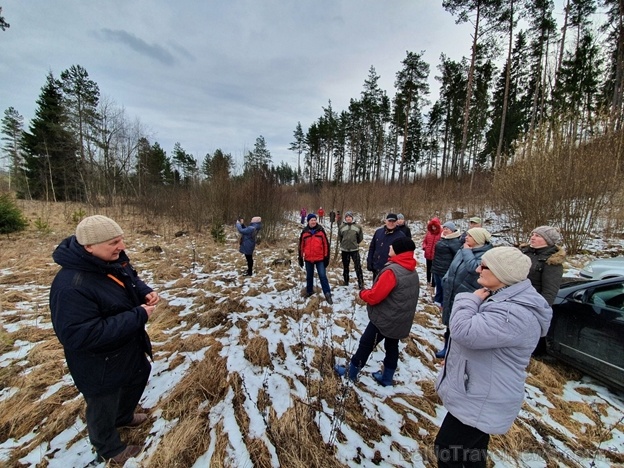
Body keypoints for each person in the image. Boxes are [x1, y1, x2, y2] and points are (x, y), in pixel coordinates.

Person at [49, 215, 158, 465]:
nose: (121, 246)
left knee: (138, 376)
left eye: (121, 239)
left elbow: (131, 279)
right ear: (89, 246)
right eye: (113, 242)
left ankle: (124, 416)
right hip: (99, 363)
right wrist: (138, 315)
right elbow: (79, 334)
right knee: (102, 404)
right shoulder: (71, 286)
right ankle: (109, 448)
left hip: (126, 348)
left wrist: (145, 292)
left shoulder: (112, 261)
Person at [434, 247, 552, 467]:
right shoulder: (502, 298)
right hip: (480, 390)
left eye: (484, 266)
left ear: (501, 273)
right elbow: (487, 347)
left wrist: (468, 300)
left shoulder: (513, 313)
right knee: (471, 452)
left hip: (483, 398)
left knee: (447, 450)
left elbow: (463, 331)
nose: (478, 268)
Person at [335, 237, 420, 386]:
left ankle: (351, 373)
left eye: (392, 247)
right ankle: (387, 378)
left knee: (366, 344)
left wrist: (363, 294)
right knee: (392, 346)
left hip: (385, 319)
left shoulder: (392, 272)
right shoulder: (411, 269)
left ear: (398, 250)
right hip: (401, 320)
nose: (389, 248)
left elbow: (375, 296)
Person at [437, 227, 493, 358]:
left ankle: (456, 352)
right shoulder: (463, 249)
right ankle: (447, 348)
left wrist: (467, 252)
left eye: (470, 236)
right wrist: (446, 279)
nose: (466, 237)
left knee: (461, 324)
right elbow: (452, 266)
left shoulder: (487, 255)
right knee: (451, 321)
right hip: (452, 290)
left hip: (468, 293)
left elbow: (474, 268)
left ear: (478, 239)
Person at [520, 225, 565, 355]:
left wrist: (539, 312)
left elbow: (549, 292)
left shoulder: (552, 262)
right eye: (532, 234)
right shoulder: (524, 252)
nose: (532, 237)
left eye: (538, 236)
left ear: (548, 241)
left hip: (532, 304)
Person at [298, 213, 333, 304]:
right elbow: (301, 246)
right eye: (311, 220)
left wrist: (326, 257)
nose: (313, 222)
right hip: (308, 259)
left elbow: (326, 245)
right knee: (309, 276)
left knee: (322, 276)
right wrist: (300, 257)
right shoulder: (305, 232)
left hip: (320, 258)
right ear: (308, 221)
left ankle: (327, 293)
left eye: (314, 220)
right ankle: (309, 292)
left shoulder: (321, 231)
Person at [431, 222, 462, 308]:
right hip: (437, 267)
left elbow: (457, 257)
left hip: (446, 269)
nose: (445, 230)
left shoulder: (455, 241)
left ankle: (444, 304)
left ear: (452, 230)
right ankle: (437, 301)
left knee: (444, 287)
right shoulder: (443, 238)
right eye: (444, 228)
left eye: (447, 229)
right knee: (438, 286)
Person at [367, 213, 406, 280]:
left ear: (396, 222)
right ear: (385, 221)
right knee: (376, 288)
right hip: (376, 267)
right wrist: (369, 261)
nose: (391, 223)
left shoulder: (401, 236)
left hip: (390, 269)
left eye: (393, 221)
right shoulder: (378, 232)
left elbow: (403, 254)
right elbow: (372, 248)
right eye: (389, 221)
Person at [338, 211, 364, 288]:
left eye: (350, 217)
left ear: (352, 218)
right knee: (345, 266)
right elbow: (340, 237)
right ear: (345, 218)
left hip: (354, 250)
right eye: (347, 217)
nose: (348, 218)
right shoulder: (341, 227)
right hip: (344, 250)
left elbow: (360, 237)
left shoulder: (358, 227)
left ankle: (361, 283)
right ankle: (346, 281)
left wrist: (355, 243)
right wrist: (343, 243)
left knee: (358, 267)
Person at [422, 217, 442, 288]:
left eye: (435, 226)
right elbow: (424, 241)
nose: (433, 228)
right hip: (428, 254)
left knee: (434, 270)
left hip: (435, 255)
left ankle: (433, 284)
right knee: (428, 268)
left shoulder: (441, 234)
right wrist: (425, 247)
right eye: (432, 226)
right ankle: (428, 281)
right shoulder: (429, 233)